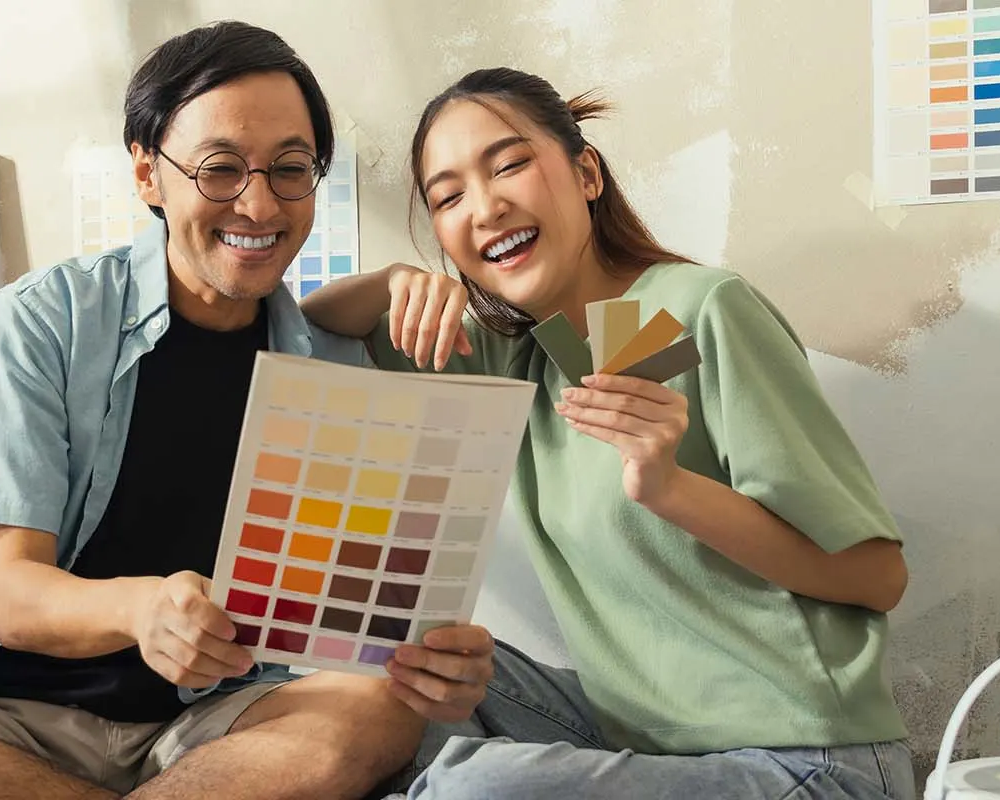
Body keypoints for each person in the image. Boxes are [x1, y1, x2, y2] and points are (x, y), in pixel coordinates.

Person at [0, 23, 497, 800]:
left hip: (220, 716)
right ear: (148, 173)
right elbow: (12, 597)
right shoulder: (46, 322)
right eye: (219, 170)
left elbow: (359, 606)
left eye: (290, 169)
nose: (258, 202)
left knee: (385, 709)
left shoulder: (325, 360)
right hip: (11, 716)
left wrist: (429, 661)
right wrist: (143, 608)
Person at [300, 67, 920, 799]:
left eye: (509, 165)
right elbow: (310, 335)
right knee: (402, 669)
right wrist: (393, 283)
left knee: (479, 789)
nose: (486, 206)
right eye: (448, 197)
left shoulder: (698, 311)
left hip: (804, 759)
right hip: (640, 740)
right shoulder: (519, 355)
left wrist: (672, 489)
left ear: (585, 172)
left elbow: (878, 578)